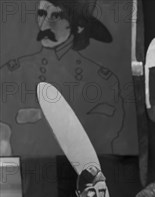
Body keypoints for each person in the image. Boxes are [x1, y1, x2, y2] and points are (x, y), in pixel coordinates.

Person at [0, 0, 125, 156]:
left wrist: (36, 117)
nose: (44, 24)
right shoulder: (12, 74)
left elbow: (103, 137)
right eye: (41, 14)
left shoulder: (102, 80)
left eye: (55, 16)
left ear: (78, 26)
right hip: (27, 174)